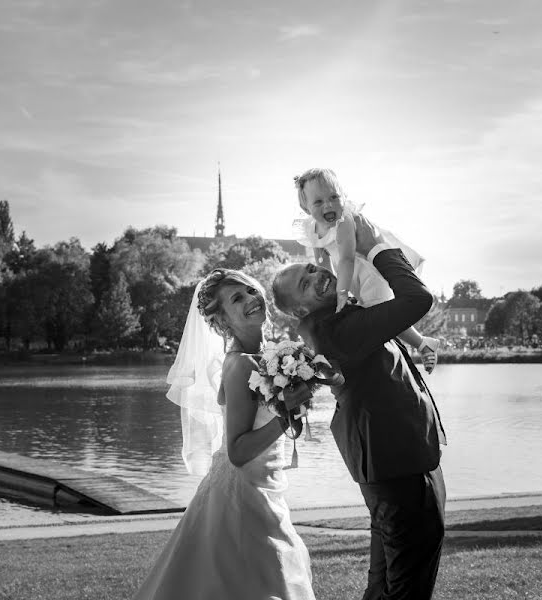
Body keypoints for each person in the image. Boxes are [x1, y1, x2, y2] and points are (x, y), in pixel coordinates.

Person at [272, 215, 447, 600]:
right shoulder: (335, 328)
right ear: (299, 310)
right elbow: (417, 299)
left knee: (385, 584)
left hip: (396, 460)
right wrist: (375, 247)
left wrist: (421, 343)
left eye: (314, 268)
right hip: (398, 463)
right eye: (306, 283)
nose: (319, 275)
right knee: (407, 587)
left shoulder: (339, 315)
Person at [133, 269, 315, 600]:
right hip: (242, 497)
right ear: (222, 322)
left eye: (249, 291)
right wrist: (284, 417)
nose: (250, 298)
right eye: (236, 298)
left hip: (264, 487)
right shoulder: (241, 365)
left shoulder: (270, 357)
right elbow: (238, 451)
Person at [291, 167, 440, 373]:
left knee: (379, 308)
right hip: (349, 275)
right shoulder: (312, 228)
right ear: (306, 208)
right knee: (372, 313)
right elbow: (321, 261)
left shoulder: (345, 221)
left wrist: (342, 292)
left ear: (343, 196)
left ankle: (422, 343)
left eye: (334, 197)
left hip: (367, 269)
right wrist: (331, 288)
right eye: (318, 201)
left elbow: (346, 259)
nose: (328, 205)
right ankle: (420, 344)